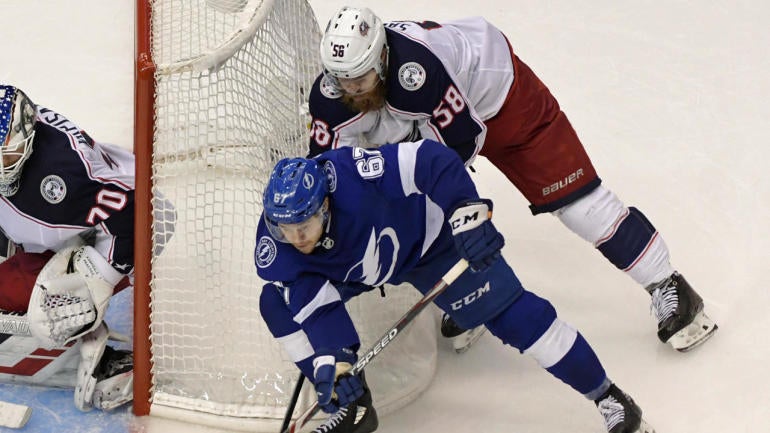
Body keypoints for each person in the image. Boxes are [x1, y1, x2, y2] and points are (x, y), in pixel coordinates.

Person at [306, 6, 717, 354]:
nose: (351, 90)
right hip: (428, 120)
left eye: (360, 78)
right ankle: (474, 298)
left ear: (381, 59)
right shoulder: (333, 93)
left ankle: (668, 284)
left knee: (577, 205)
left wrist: (429, 201)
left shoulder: (418, 72)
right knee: (409, 207)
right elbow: (329, 174)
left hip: (504, 97)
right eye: (342, 79)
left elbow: (462, 141)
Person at [255, 139, 655, 433]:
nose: (296, 238)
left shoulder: (354, 176)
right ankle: (349, 399)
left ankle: (609, 398)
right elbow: (315, 304)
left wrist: (467, 214)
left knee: (517, 319)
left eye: (304, 226)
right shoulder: (278, 245)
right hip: (357, 269)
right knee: (276, 301)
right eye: (285, 229)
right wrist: (335, 358)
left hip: (431, 244)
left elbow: (431, 160)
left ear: (325, 205)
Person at [0, 84, 172, 411]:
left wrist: (97, 277)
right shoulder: (17, 140)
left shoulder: (61, 175)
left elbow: (147, 213)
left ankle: (101, 354)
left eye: (6, 156)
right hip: (71, 222)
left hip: (128, 229)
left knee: (48, 307)